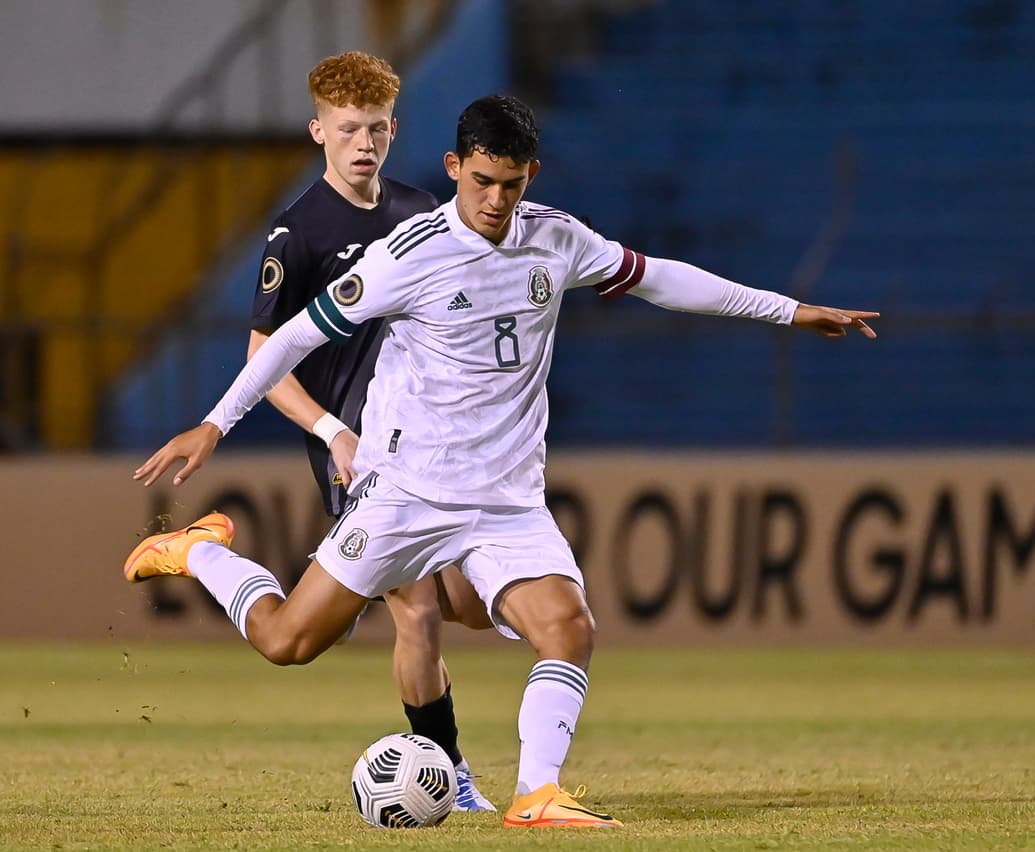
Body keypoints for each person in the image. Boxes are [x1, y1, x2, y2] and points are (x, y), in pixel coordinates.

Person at [124, 93, 878, 829]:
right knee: (288, 642)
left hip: (507, 502)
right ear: (455, 167)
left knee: (568, 627)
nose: (495, 200)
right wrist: (214, 425)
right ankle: (200, 553)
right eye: (481, 181)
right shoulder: (408, 256)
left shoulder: (556, 238)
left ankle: (537, 794)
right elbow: (293, 337)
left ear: (531, 176)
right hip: (407, 491)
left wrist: (787, 310)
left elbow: (660, 279)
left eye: (511, 185)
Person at [244, 51, 493, 811]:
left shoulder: (422, 214)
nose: (364, 144)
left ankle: (239, 566)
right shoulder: (298, 233)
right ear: (319, 130)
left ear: (394, 130)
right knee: (418, 611)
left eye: (377, 129)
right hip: (360, 451)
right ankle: (452, 776)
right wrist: (331, 432)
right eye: (348, 129)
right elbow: (262, 359)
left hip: (437, 445)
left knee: (474, 607)